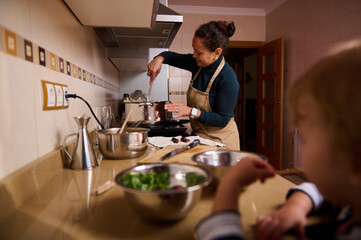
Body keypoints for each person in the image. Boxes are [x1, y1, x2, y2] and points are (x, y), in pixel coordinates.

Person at [195, 40, 361, 240]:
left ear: (353, 159)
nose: (300, 149)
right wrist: (297, 205)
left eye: (306, 139)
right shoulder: (351, 200)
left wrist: (230, 184)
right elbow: (317, 190)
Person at [147, 21, 240, 150]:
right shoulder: (197, 63)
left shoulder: (228, 77)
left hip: (222, 142)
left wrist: (190, 111)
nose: (194, 55)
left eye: (198, 52)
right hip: (201, 138)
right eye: (193, 50)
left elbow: (223, 119)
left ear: (217, 53)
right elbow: (171, 56)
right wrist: (159, 58)